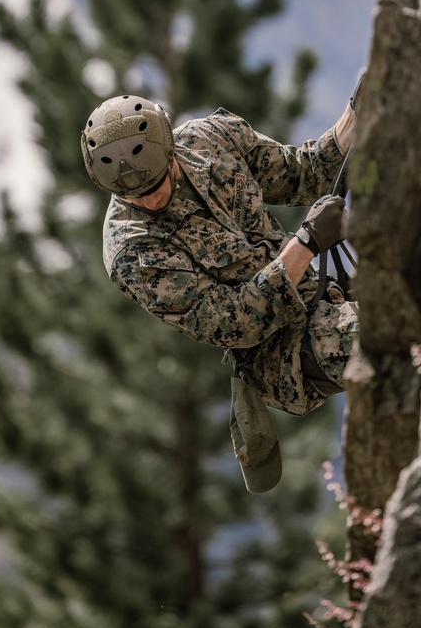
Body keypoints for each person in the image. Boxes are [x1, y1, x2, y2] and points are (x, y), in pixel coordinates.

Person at [80, 92, 360, 490]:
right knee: (388, 332)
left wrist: (355, 112)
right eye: (133, 197)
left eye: (156, 183)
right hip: (282, 350)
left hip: (321, 292)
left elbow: (303, 173)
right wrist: (305, 245)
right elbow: (236, 323)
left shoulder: (210, 138)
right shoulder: (133, 251)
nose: (149, 199)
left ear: (171, 147)